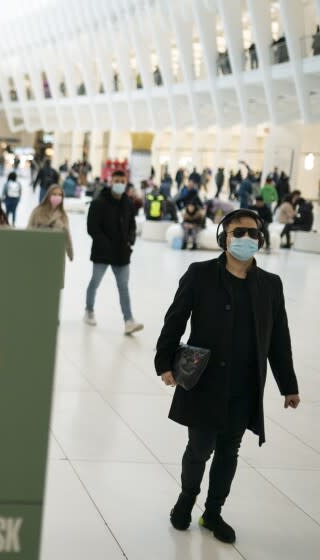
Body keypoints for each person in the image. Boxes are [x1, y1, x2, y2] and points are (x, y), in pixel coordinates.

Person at [155, 209, 300, 545]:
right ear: (224, 237)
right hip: (204, 383)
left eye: (253, 233)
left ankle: (213, 511)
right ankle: (187, 498)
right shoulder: (200, 274)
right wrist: (164, 363)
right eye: (238, 233)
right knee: (199, 448)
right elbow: (174, 320)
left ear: (261, 240)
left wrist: (288, 385)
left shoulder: (270, 285)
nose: (246, 239)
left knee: (229, 452)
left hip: (245, 387)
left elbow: (279, 338)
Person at [84, 170, 143, 335]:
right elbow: (92, 228)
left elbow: (132, 224)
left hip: (122, 253)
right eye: (116, 180)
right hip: (102, 252)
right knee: (95, 281)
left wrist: (130, 240)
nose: (119, 183)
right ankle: (89, 310)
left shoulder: (128, 203)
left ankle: (129, 320)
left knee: (123, 287)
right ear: (111, 181)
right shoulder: (99, 202)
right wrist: (105, 244)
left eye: (122, 180)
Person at [27, 185, 73, 262]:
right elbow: (29, 229)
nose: (57, 197)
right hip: (37, 250)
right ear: (48, 196)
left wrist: (70, 253)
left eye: (60, 195)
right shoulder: (38, 211)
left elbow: (67, 235)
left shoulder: (63, 215)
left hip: (55, 253)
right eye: (54, 194)